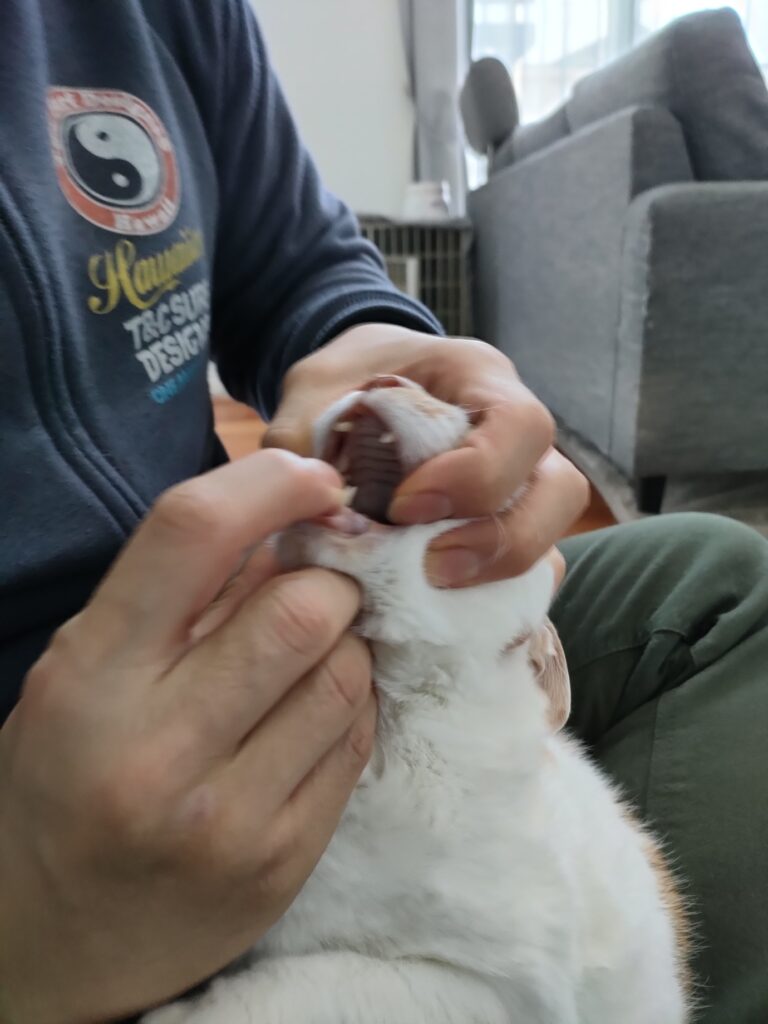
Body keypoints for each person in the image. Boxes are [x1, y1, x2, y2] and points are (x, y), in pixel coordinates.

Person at [0, 3, 765, 1022]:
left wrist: (373, 338)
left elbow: (301, 265)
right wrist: (25, 945)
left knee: (715, 578)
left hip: (270, 609)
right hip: (49, 854)